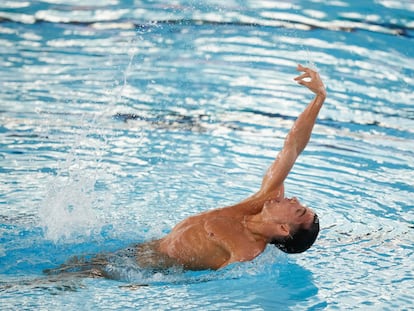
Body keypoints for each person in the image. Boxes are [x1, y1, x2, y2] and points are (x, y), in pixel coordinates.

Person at [46, 64, 325, 277]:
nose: (294, 200)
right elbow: (292, 146)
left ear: (283, 228)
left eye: (299, 210)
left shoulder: (246, 250)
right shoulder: (262, 199)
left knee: (55, 282)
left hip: (150, 271)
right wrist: (318, 99)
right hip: (142, 247)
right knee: (60, 270)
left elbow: (218, 287)